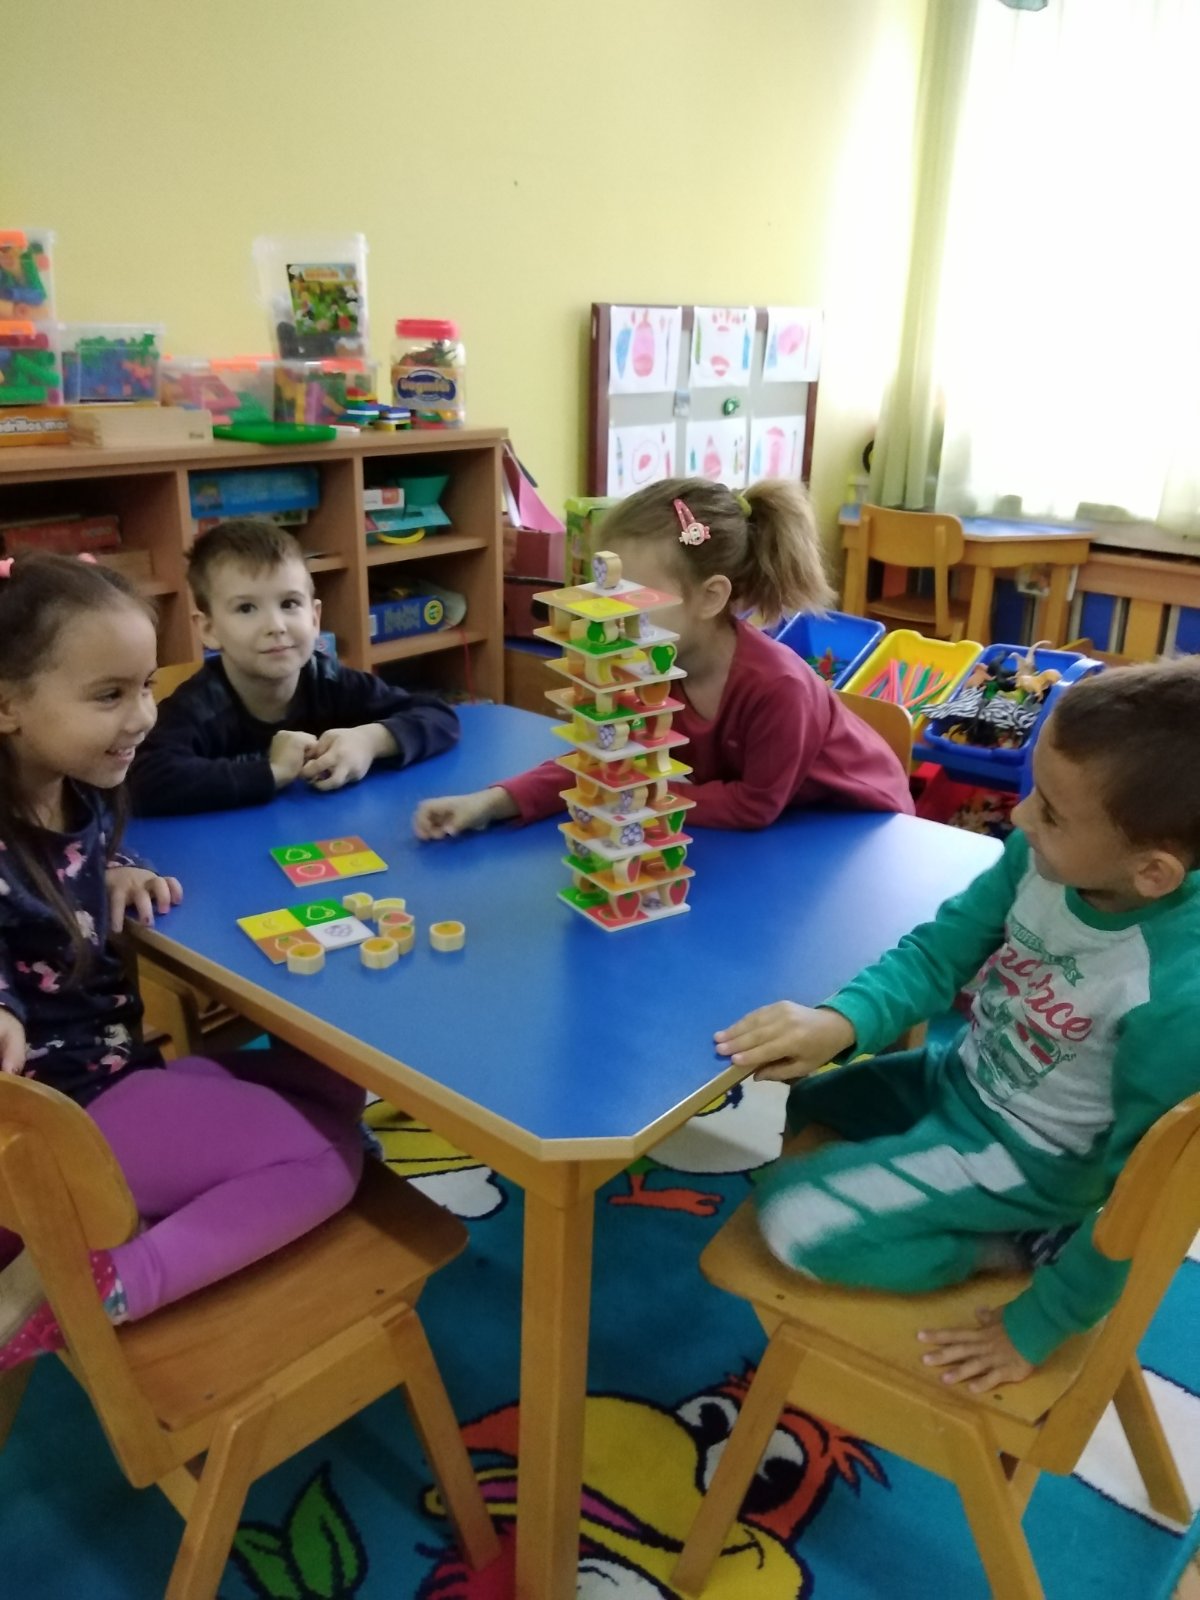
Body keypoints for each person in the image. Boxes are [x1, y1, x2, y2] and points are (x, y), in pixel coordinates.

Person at [715, 659, 1200, 1391]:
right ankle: (928, 1195)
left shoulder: (1174, 996)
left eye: (1053, 814)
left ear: (1152, 873)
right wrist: (842, 1020)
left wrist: (1043, 1319)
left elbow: (1144, 1196)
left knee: (793, 1219)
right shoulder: (1042, 861)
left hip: (1034, 1163)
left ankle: (1008, 1244)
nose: (1021, 817)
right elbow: (938, 952)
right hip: (960, 1079)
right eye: (1034, 790)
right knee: (794, 1105)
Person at [0, 554, 366, 1369]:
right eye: (109, 695)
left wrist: (115, 868)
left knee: (337, 1081)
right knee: (325, 1160)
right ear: (8, 705)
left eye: (144, 688)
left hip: (120, 1069)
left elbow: (67, 862)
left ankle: (197, 1196)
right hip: (71, 1116)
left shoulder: (76, 788)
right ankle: (100, 1289)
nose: (141, 716)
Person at [412, 478, 912, 839]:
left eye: (635, 597)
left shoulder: (779, 688)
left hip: (862, 828)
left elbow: (752, 805)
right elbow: (604, 764)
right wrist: (493, 802)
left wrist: (632, 796)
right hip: (786, 825)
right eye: (608, 593)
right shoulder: (643, 665)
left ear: (710, 597)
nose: (612, 614)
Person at [130, 518, 458, 815]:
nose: (276, 626)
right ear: (209, 629)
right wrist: (272, 772)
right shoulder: (199, 707)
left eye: (289, 603)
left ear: (314, 618)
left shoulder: (330, 681)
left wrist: (370, 741)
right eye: (246, 608)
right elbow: (143, 778)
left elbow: (439, 716)